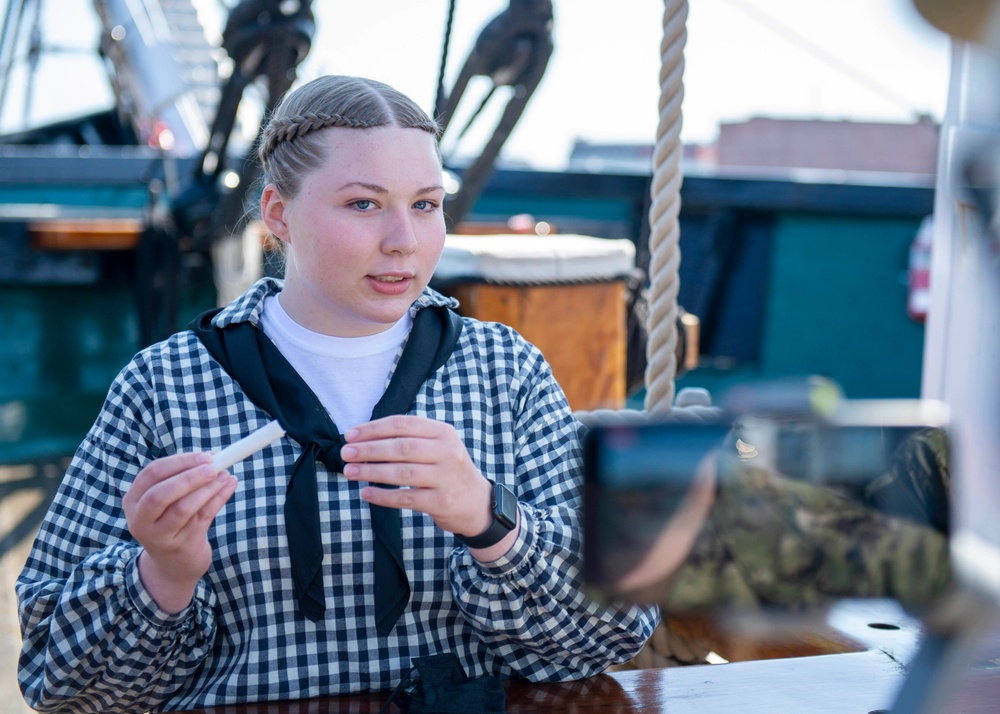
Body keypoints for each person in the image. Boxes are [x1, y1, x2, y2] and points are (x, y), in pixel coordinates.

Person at [16, 75, 658, 713]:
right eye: (363, 204)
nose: (404, 239)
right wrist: (162, 575)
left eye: (427, 205)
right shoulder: (164, 386)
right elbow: (59, 684)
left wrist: (489, 517)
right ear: (278, 214)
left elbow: (616, 627)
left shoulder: (504, 371)